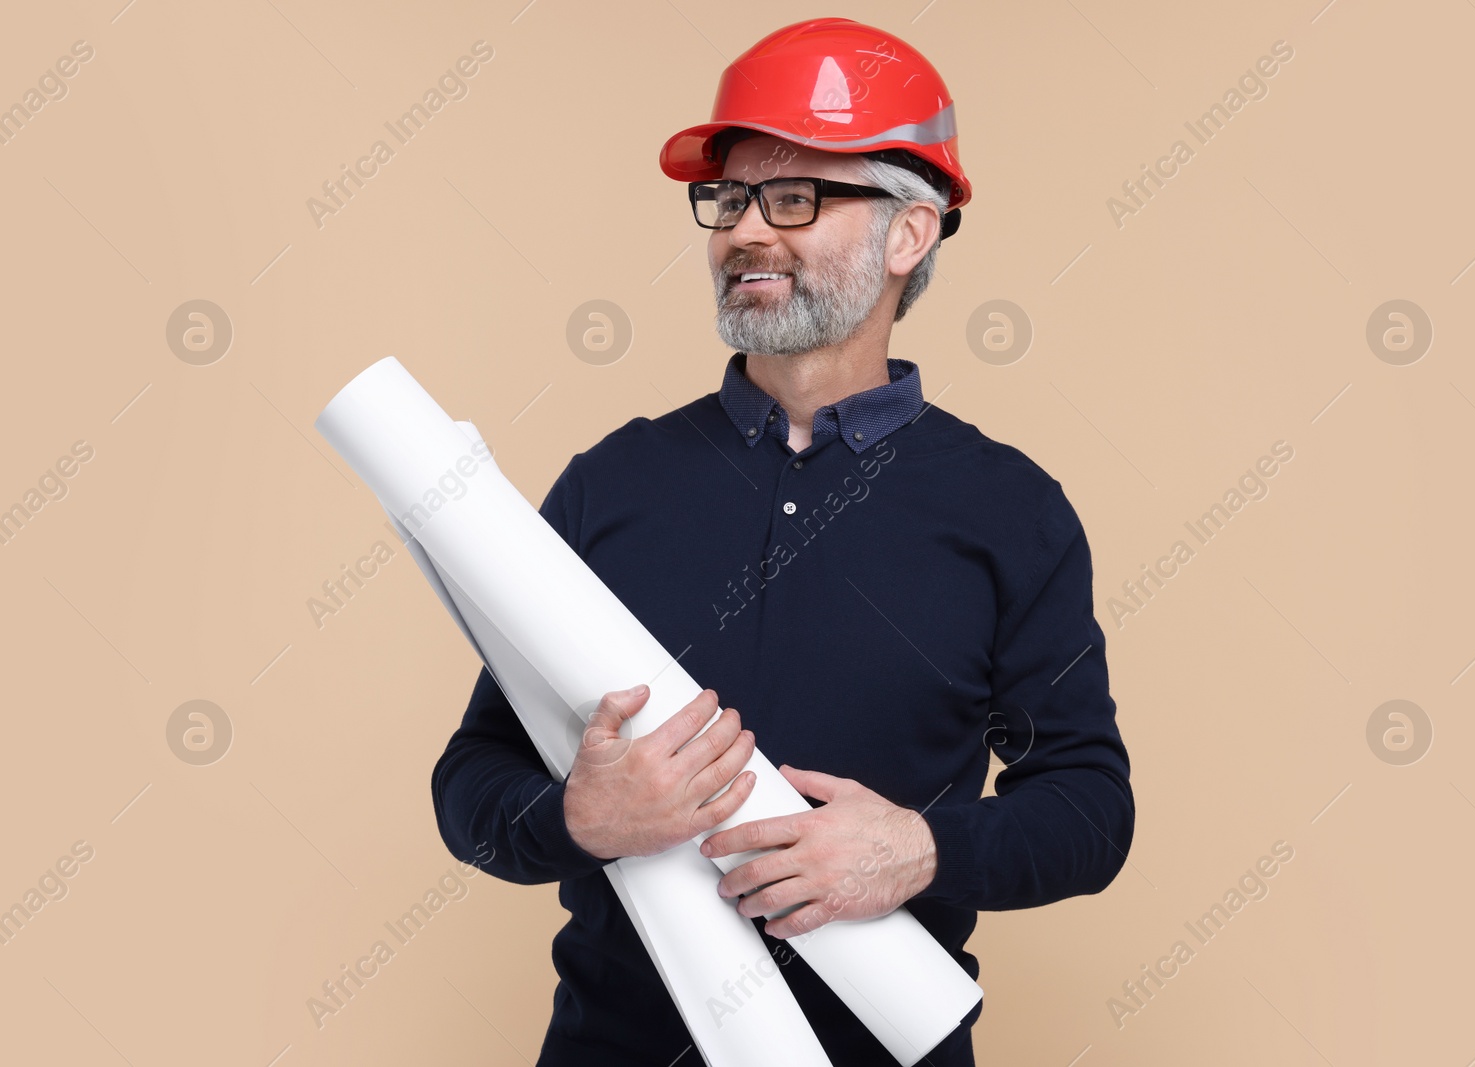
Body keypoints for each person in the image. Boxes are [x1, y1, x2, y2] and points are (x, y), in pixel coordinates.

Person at [431, 17, 1134, 1066]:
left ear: (910, 232)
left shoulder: (1008, 510)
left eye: (795, 196)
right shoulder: (612, 486)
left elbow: (1087, 807)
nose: (743, 232)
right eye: (728, 198)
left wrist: (922, 847)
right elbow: (472, 778)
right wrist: (581, 815)